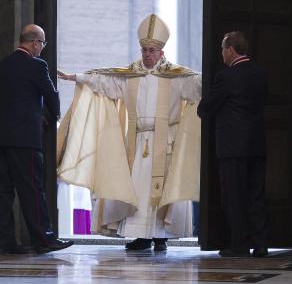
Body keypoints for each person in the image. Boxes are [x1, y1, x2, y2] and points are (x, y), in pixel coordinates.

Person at [57, 14, 201, 251]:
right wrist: (77, 78)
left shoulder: (177, 78)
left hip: (166, 142)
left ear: (161, 53)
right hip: (137, 141)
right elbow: (104, 82)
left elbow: (198, 86)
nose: (147, 54)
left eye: (152, 50)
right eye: (144, 49)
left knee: (161, 189)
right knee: (137, 189)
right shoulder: (129, 76)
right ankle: (141, 236)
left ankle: (160, 236)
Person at [0, 24, 73, 255]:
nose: (42, 49)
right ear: (35, 42)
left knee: (4, 191)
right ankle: (44, 239)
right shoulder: (37, 65)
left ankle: (4, 242)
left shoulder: (4, 64)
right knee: (33, 190)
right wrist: (51, 116)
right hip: (25, 138)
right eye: (42, 44)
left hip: (2, 136)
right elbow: (51, 95)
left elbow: (13, 98)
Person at [197, 31, 269, 258]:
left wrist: (203, 109)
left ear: (230, 50)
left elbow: (206, 107)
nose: (221, 54)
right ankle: (261, 244)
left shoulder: (226, 77)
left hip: (232, 146)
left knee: (234, 196)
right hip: (256, 144)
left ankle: (239, 245)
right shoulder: (260, 73)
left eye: (222, 49)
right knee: (256, 195)